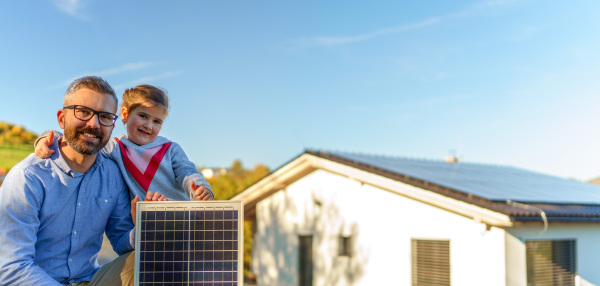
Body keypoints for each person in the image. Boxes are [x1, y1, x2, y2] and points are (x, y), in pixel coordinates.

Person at [0, 76, 166, 286]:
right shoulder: (27, 178)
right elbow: (13, 268)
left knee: (150, 259)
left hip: (90, 280)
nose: (94, 124)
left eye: (105, 116)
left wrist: (145, 226)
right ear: (61, 119)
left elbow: (121, 242)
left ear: (113, 125)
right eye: (83, 112)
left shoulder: (112, 175)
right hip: (35, 281)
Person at [35, 84, 213, 202]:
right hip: (146, 225)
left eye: (157, 121)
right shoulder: (115, 147)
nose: (148, 126)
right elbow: (80, 139)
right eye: (143, 116)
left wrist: (200, 188)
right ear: (125, 115)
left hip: (180, 217)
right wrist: (46, 139)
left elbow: (187, 172)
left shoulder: (170, 149)